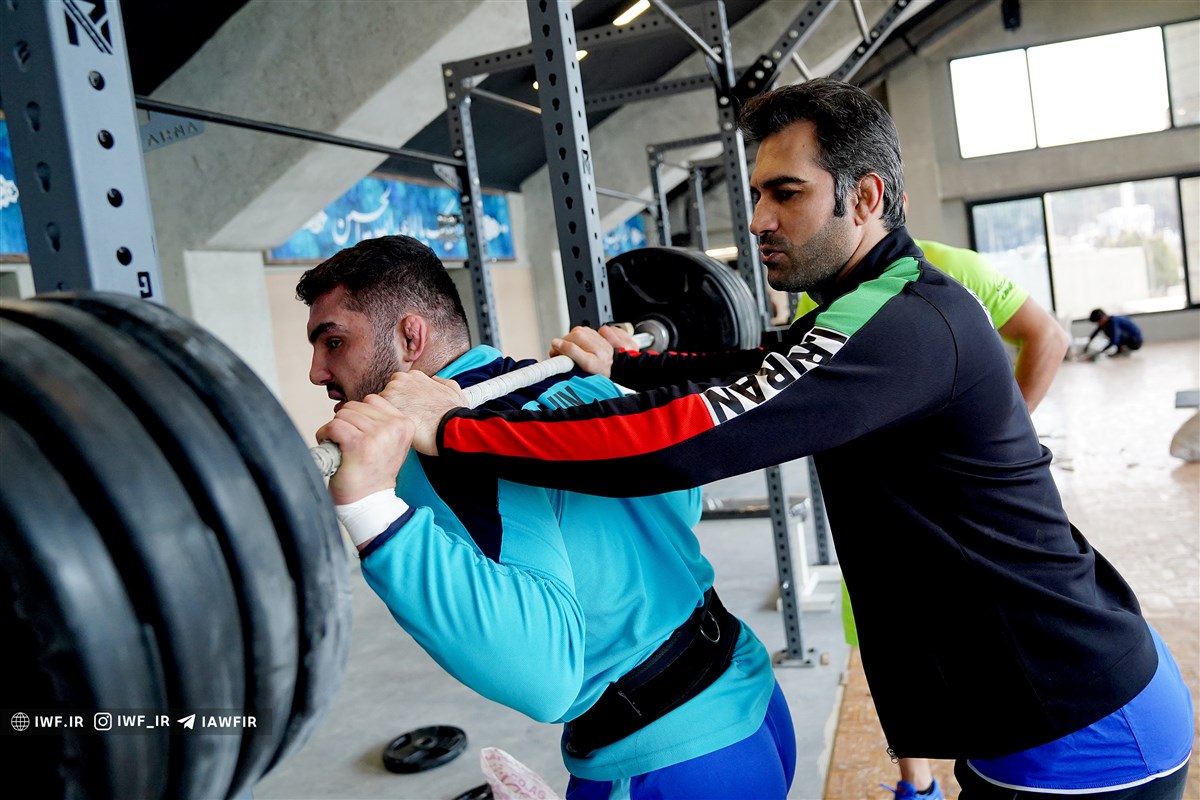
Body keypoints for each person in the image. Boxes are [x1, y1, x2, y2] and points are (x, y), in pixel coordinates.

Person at [380, 79, 1193, 799]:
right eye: (757, 193)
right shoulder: (870, 302)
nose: (759, 219)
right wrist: (630, 366)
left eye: (786, 193)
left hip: (1082, 726)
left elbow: (679, 442)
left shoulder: (905, 323)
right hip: (1044, 708)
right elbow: (758, 367)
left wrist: (455, 429)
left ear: (865, 197)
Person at [298, 235, 795, 800]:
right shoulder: (564, 379)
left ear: (411, 337)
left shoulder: (440, 454)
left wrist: (370, 508)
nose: (317, 371)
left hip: (672, 763)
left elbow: (546, 679)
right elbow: (683, 505)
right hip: (753, 699)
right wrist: (620, 381)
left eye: (334, 342)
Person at [797, 236, 1071, 799]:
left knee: (978, 626)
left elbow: (1048, 336)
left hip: (958, 501)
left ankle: (1006, 754)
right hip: (881, 504)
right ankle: (917, 784)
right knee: (889, 635)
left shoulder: (953, 268)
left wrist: (998, 436)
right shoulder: (816, 291)